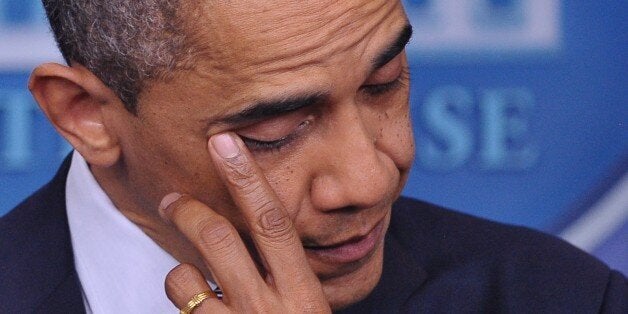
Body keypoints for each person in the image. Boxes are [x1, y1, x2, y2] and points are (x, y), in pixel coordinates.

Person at [0, 0, 626, 313]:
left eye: (385, 84)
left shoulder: (559, 296)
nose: (371, 178)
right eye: (273, 130)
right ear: (84, 115)